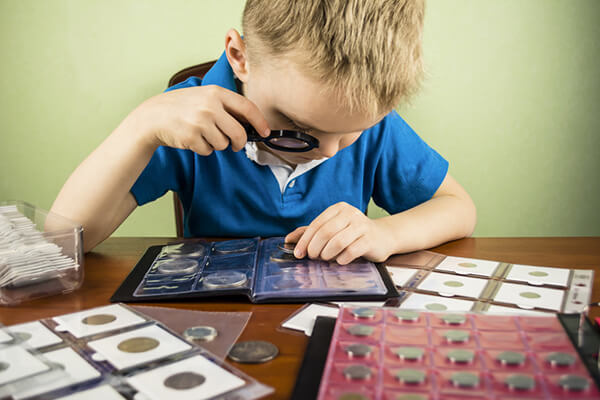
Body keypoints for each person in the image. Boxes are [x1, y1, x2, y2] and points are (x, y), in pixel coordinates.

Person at [51, 0, 476, 265]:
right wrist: (140, 128)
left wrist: (386, 234)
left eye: (350, 134)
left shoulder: (373, 125)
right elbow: (62, 242)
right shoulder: (187, 119)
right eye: (299, 129)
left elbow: (459, 208)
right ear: (240, 58)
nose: (328, 152)